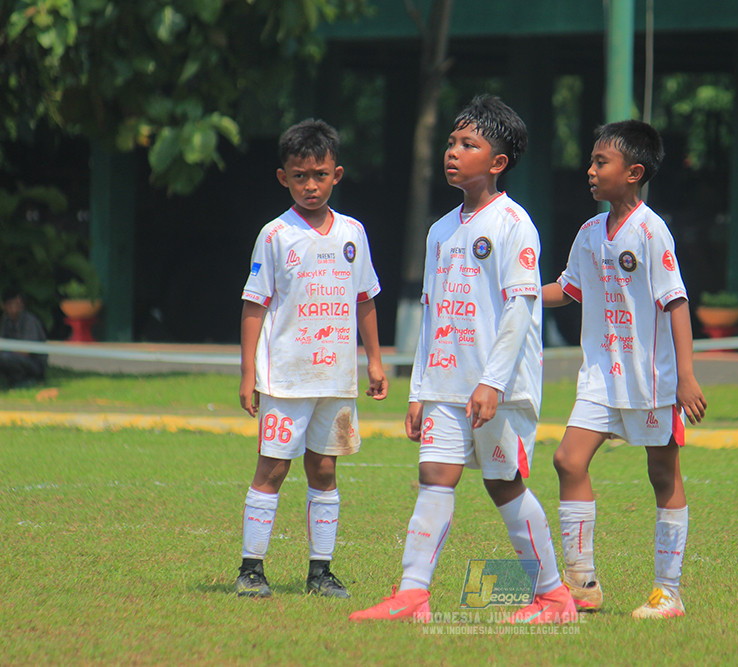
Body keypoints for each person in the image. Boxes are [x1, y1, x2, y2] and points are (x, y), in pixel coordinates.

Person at [350, 95, 576, 624]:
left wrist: (492, 382)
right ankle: (413, 596)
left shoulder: (515, 224)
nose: (453, 151)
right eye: (451, 142)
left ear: (498, 162)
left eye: (468, 144)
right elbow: (432, 313)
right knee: (434, 475)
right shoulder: (440, 230)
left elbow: (519, 310)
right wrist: (418, 391)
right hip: (445, 386)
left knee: (503, 485)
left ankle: (553, 597)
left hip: (501, 388)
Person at [541, 120, 707, 620]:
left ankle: (668, 593)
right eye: (591, 161)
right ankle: (583, 586)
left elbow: (676, 302)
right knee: (568, 460)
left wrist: (686, 376)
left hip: (650, 381)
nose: (590, 170)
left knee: (662, 473)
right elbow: (568, 289)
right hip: (600, 377)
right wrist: (518, 292)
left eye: (601, 162)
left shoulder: (652, 231)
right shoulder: (589, 233)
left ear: (633, 173)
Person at [235, 118, 387, 599]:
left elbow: (365, 298)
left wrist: (375, 361)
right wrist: (248, 373)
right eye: (300, 176)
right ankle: (251, 569)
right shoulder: (275, 235)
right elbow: (255, 304)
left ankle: (320, 572)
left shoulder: (353, 233)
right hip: (286, 379)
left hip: (336, 379)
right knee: (273, 468)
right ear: (284, 177)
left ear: (336, 175)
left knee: (324, 470)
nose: (311, 185)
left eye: (320, 175)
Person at [0, 287, 48, 388]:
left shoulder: (29, 321)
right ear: (4, 306)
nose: (16, 306)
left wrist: (7, 351)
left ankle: (26, 380)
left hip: (34, 363)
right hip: (13, 357)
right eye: (11, 304)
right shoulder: (6, 320)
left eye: (18, 302)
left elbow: (26, 351)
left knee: (5, 357)